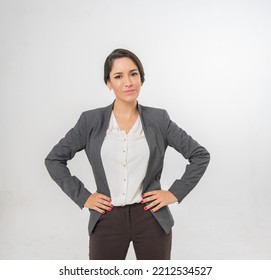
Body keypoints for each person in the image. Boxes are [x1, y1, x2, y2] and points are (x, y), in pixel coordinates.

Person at [45, 48, 210, 260]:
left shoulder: (159, 120)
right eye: (118, 76)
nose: (128, 82)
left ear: (141, 78)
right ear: (108, 83)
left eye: (133, 74)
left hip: (151, 218)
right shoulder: (90, 121)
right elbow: (54, 159)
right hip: (107, 218)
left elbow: (199, 155)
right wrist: (84, 197)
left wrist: (174, 193)